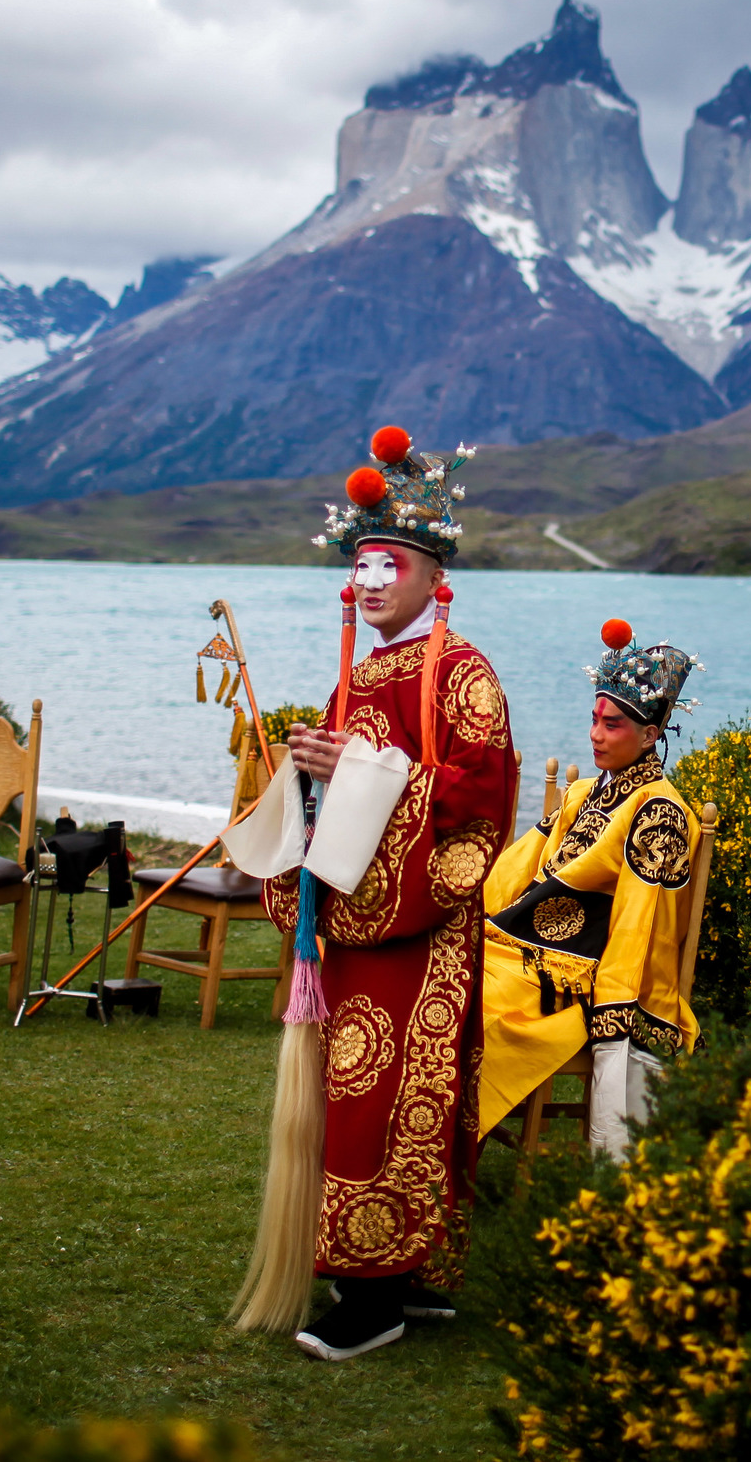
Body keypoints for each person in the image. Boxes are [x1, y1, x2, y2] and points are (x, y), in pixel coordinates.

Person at [269, 425, 519, 1362]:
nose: (371, 581)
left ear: (430, 577)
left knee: (385, 1091)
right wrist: (310, 771)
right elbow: (353, 791)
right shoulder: (362, 672)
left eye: (391, 564)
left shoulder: (464, 673)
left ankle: (374, 1288)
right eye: (362, 565)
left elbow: (478, 795)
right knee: (360, 1089)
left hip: (424, 927)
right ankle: (391, 1273)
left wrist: (366, 767)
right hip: (361, 920)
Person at [476, 619, 703, 1159]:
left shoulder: (659, 813)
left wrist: (614, 1011)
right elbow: (518, 868)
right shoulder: (586, 793)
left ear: (650, 735)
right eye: (594, 720)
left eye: (613, 725)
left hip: (582, 974)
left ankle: (451, 1142)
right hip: (525, 944)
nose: (596, 735)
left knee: (473, 1006)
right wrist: (464, 911)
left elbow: (640, 924)